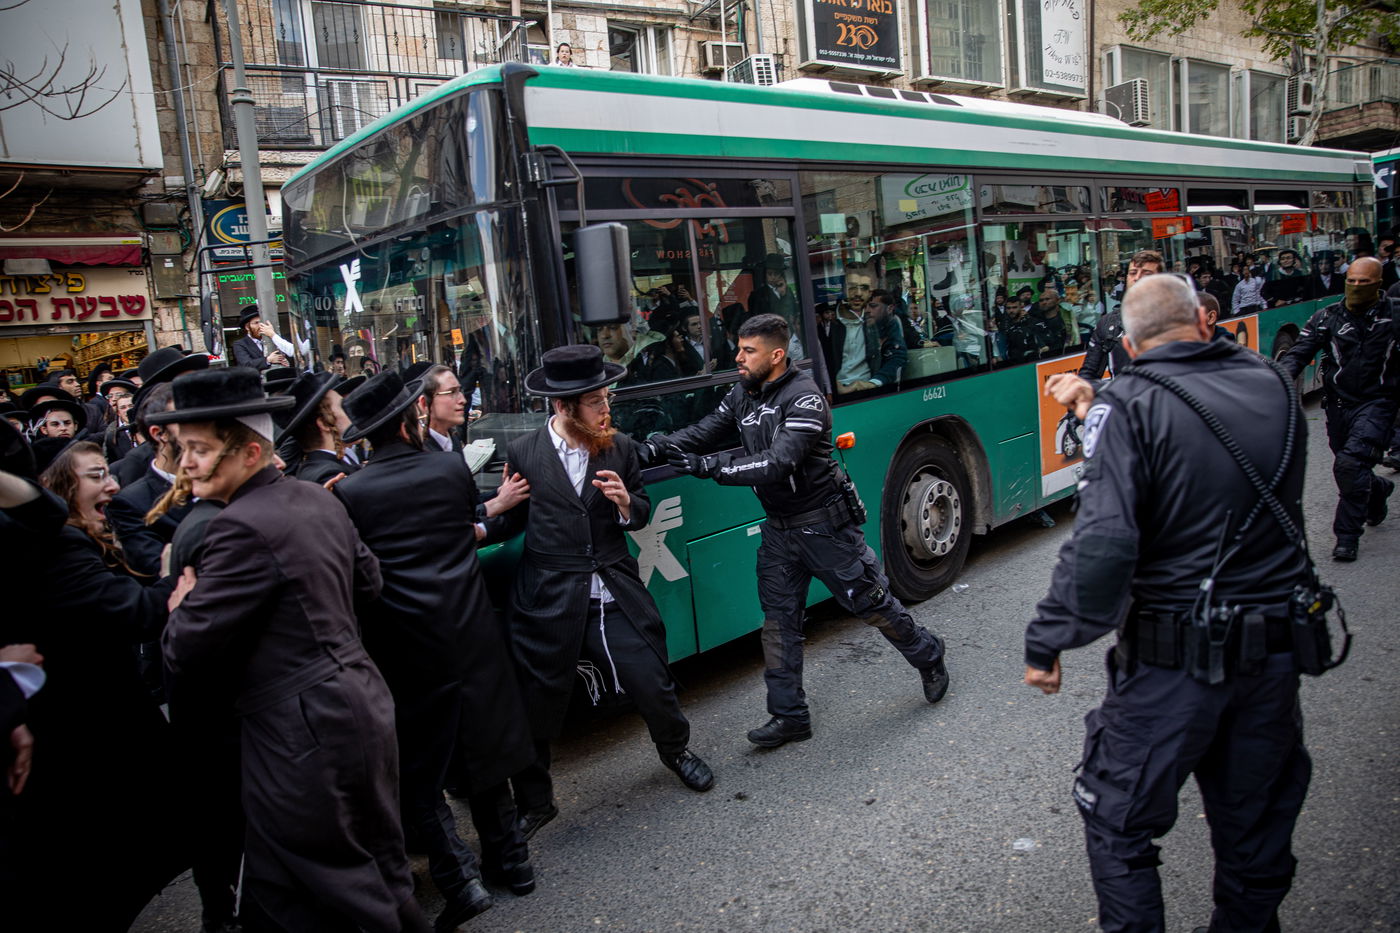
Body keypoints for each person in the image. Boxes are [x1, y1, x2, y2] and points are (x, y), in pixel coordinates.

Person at [1025, 273, 1314, 933]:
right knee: (1254, 835)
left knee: (1117, 819)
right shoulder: (1272, 383)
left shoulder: (1127, 406)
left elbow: (1102, 549)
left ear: (1126, 341)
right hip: (1273, 655)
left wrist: (1048, 639)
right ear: (1206, 321)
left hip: (1174, 663)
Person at [155, 367, 430, 932]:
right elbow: (369, 584)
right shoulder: (315, 496)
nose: (185, 465)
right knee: (372, 863)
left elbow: (186, 650)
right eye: (184, 450)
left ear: (250, 452)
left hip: (300, 729)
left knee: (341, 880)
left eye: (200, 451)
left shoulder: (236, 527)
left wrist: (180, 605)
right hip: (358, 700)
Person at [642, 314, 949, 748]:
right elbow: (706, 430)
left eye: (749, 351)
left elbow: (776, 462)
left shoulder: (805, 399)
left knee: (871, 604)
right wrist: (657, 446)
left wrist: (712, 468)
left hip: (824, 528)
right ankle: (789, 717)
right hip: (780, 532)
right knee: (779, 624)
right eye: (739, 348)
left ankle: (928, 654)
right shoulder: (742, 393)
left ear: (777, 355)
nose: (739, 358)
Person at [334, 371, 537, 922]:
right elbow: (469, 525)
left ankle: (460, 880)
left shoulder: (351, 492)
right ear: (408, 421)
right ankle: (513, 864)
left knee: (422, 769)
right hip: (469, 629)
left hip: (404, 642)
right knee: (485, 748)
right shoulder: (449, 467)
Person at [493, 345, 715, 842]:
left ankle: (675, 751)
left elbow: (640, 510)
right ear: (563, 407)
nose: (606, 409)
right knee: (536, 700)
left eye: (606, 397)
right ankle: (536, 800)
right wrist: (490, 511)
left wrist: (625, 504)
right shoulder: (525, 452)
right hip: (548, 595)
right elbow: (513, 516)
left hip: (612, 585)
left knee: (650, 677)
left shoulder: (620, 446)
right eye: (595, 402)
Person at [7, 441, 189, 928]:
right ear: (59, 488)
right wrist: (173, 576)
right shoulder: (58, 546)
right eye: (94, 476)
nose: (111, 485)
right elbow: (136, 612)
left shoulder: (72, 538)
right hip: (87, 730)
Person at [1279, 256, 1398, 561]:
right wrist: (1275, 381)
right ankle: (1377, 490)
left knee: (1349, 465)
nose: (1357, 287)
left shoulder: (1394, 316)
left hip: (1378, 404)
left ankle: (1347, 536)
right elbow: (1298, 354)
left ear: (1378, 284)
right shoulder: (1326, 317)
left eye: (1365, 282)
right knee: (1351, 468)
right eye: (1352, 281)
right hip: (1338, 407)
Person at [105, 382, 192, 577]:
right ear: (159, 433)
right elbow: (155, 570)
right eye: (186, 422)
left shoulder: (217, 480)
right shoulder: (130, 504)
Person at [1079, 250, 1164, 382]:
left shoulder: (1176, 320)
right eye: (1133, 273)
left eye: (1146, 273)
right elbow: (1088, 375)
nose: (1137, 278)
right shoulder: (1108, 323)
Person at [280, 371, 362, 485]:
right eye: (342, 406)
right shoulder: (328, 475)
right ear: (324, 423)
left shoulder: (336, 461)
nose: (352, 412)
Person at [832, 283, 907, 393]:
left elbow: (898, 356)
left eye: (864, 288)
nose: (858, 293)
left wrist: (874, 383)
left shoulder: (877, 321)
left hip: (867, 389)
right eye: (852, 287)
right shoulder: (829, 321)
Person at [419, 364, 468, 453]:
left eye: (459, 391)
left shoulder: (454, 440)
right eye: (452, 392)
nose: (463, 400)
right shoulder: (420, 451)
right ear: (425, 403)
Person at [231, 306, 292, 371]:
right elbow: (246, 364)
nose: (260, 326)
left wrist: (284, 361)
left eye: (261, 322)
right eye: (256, 323)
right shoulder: (240, 344)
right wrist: (268, 360)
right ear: (247, 327)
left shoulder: (274, 340)